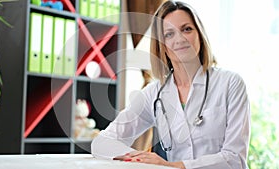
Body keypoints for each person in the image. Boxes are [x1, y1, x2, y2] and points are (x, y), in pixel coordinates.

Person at [91, 1, 251, 169]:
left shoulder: (230, 83)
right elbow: (102, 143)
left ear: (200, 35)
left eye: (187, 29)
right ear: (162, 45)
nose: (179, 39)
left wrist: (174, 166)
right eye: (169, 34)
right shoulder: (154, 93)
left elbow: (235, 159)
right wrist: (140, 158)